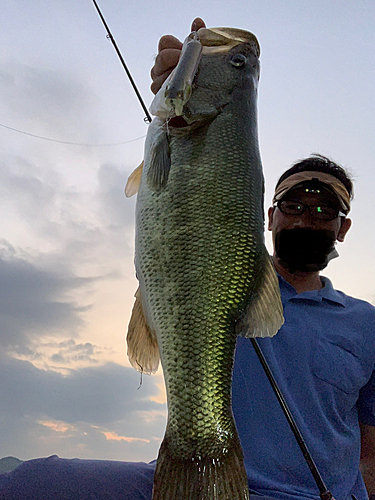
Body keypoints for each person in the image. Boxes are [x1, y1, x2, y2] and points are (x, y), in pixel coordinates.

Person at [1, 18, 374, 500]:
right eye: (293, 205)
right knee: (32, 482)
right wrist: (175, 81)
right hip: (190, 475)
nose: (307, 218)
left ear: (343, 227)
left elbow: (370, 447)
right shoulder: (237, 270)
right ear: (269, 216)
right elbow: (191, 212)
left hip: (311, 494)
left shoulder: (367, 324)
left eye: (325, 210)